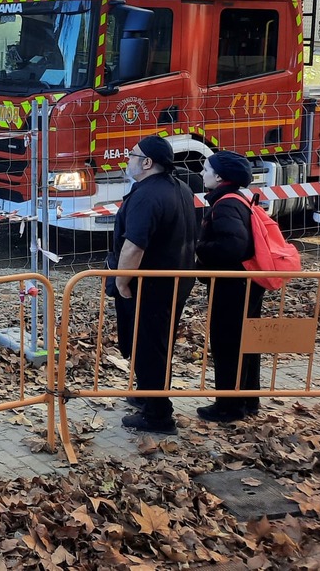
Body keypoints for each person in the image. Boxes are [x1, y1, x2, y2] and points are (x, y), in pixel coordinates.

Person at [108, 135, 198, 433]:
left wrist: (122, 282)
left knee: (149, 347)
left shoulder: (147, 196)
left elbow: (134, 246)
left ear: (147, 162)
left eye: (132, 155)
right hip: (174, 281)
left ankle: (158, 414)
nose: (127, 160)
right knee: (156, 344)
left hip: (150, 286)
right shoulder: (179, 187)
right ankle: (148, 394)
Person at [195, 150, 264, 423]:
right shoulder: (238, 200)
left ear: (220, 176)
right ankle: (248, 400)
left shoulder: (225, 204)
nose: (202, 174)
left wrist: (201, 248)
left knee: (227, 344)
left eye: (206, 169)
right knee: (246, 342)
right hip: (246, 283)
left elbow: (233, 245)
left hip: (232, 286)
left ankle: (228, 407)